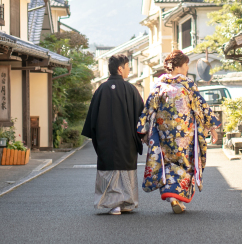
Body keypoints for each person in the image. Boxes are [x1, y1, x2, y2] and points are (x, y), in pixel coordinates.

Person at [137, 50, 220, 214]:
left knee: (167, 163)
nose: (188, 67)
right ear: (179, 66)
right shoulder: (188, 85)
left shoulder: (159, 85)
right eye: (186, 64)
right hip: (185, 135)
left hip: (165, 134)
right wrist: (212, 128)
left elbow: (148, 108)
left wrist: (142, 129)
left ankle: (173, 198)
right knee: (184, 164)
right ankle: (178, 198)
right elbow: (202, 107)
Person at [82, 54, 145, 215]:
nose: (129, 69)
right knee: (125, 170)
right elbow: (142, 117)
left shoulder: (100, 90)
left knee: (110, 169)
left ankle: (114, 204)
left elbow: (92, 120)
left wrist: (97, 137)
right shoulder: (131, 89)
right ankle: (124, 203)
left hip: (106, 141)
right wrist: (143, 136)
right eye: (127, 66)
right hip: (127, 141)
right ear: (120, 68)